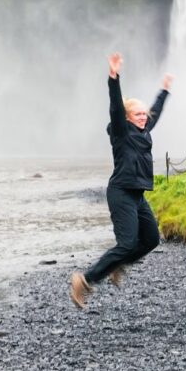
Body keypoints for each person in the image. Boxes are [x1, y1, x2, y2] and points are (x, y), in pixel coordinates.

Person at [69, 53, 171, 308]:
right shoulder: (121, 131)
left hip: (137, 195)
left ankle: (117, 265)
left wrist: (164, 91)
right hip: (121, 192)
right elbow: (116, 107)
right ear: (126, 117)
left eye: (143, 114)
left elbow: (154, 114)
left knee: (151, 239)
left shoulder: (143, 129)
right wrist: (113, 77)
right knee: (126, 243)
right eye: (137, 114)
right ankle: (85, 280)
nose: (142, 117)